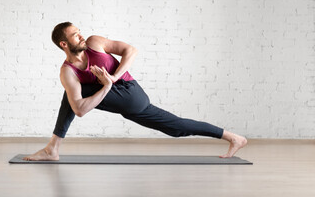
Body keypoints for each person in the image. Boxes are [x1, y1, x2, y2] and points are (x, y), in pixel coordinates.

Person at [23, 22, 247, 161]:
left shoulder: (94, 43)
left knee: (74, 95)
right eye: (75, 35)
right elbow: (79, 111)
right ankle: (233, 137)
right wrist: (107, 86)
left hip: (130, 94)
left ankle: (53, 148)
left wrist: (112, 79)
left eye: (80, 32)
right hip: (125, 104)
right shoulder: (68, 72)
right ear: (64, 44)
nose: (81, 36)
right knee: (176, 127)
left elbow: (131, 50)